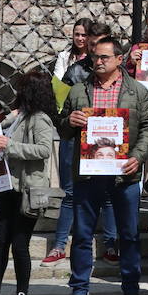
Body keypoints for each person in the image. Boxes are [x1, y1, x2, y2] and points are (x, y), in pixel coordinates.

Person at [59, 34, 148, 295]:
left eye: (104, 57)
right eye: (95, 57)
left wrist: (137, 158)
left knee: (128, 235)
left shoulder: (137, 91)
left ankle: (131, 290)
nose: (98, 62)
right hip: (88, 175)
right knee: (82, 235)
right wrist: (69, 121)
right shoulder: (78, 90)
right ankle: (79, 290)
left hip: (123, 175)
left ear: (119, 59)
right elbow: (62, 129)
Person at [0, 68, 58, 295]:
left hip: (27, 191)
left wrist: (10, 146)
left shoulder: (41, 119)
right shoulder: (21, 116)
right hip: (8, 187)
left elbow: (44, 150)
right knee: (0, 241)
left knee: (20, 244)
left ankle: (23, 294)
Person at [44, 21, 119, 267]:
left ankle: (111, 244)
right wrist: (69, 120)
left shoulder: (121, 74)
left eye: (101, 45)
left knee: (108, 193)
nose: (97, 54)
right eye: (92, 45)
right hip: (76, 140)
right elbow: (59, 107)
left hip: (108, 140)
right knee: (70, 192)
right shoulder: (75, 71)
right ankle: (59, 245)